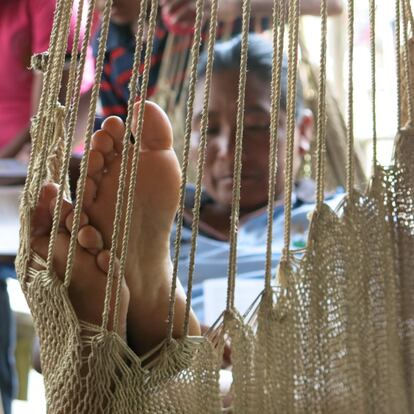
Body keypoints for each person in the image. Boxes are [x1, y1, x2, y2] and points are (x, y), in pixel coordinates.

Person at [29, 33, 344, 363]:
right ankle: (137, 324)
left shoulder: (334, 217)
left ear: (303, 131)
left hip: (295, 364)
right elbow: (42, 356)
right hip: (177, 383)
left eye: (255, 126)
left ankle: (163, 333)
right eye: (209, 130)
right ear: (188, 139)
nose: (228, 150)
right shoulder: (165, 221)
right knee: (81, 347)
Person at [94, 0, 343, 121]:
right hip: (169, 190)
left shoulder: (195, 11)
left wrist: (236, 5)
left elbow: (331, 5)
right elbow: (121, 130)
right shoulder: (105, 48)